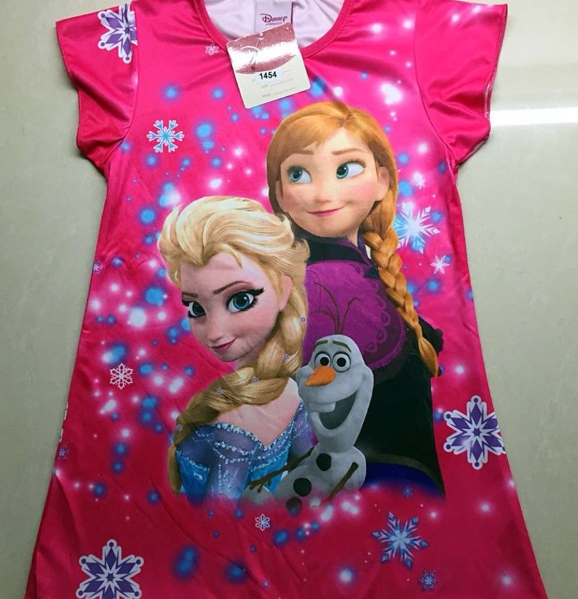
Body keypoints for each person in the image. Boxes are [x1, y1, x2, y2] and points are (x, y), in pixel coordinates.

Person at [266, 101, 445, 493]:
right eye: (299, 174)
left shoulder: (355, 270)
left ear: (382, 180)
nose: (323, 193)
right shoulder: (324, 281)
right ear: (279, 192)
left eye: (346, 168)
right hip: (375, 483)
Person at [157, 195, 314, 504]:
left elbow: (218, 524)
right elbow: (309, 475)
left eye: (240, 300)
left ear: (283, 290)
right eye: (196, 308)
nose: (214, 333)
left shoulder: (233, 429)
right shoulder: (292, 393)